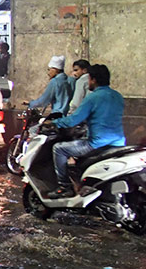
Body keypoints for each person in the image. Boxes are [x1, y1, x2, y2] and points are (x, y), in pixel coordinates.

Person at [48, 64, 125, 197]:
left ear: (93, 80)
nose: (88, 82)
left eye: (89, 79)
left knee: (59, 149)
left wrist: (53, 122)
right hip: (118, 143)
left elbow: (73, 120)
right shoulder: (117, 96)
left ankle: (64, 187)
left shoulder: (92, 97)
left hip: (97, 144)